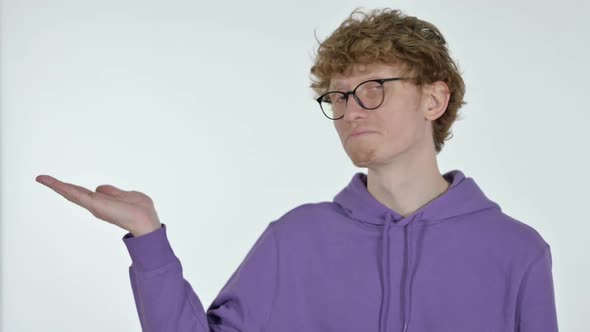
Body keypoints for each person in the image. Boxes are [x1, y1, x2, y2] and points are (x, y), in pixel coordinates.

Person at [36, 7, 559, 332]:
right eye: (337, 96)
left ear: (434, 99)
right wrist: (148, 237)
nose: (350, 109)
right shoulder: (296, 239)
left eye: (372, 88)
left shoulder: (517, 252)